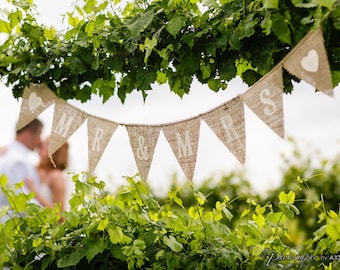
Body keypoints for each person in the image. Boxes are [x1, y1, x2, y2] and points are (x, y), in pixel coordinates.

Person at [0, 118, 43, 212]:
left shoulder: (5, 154)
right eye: (39, 135)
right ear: (27, 134)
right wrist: (46, 216)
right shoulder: (18, 161)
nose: (39, 141)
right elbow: (21, 200)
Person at [25, 137, 68, 212]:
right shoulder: (37, 171)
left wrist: (35, 194)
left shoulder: (56, 176)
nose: (41, 143)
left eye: (47, 143)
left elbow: (61, 216)